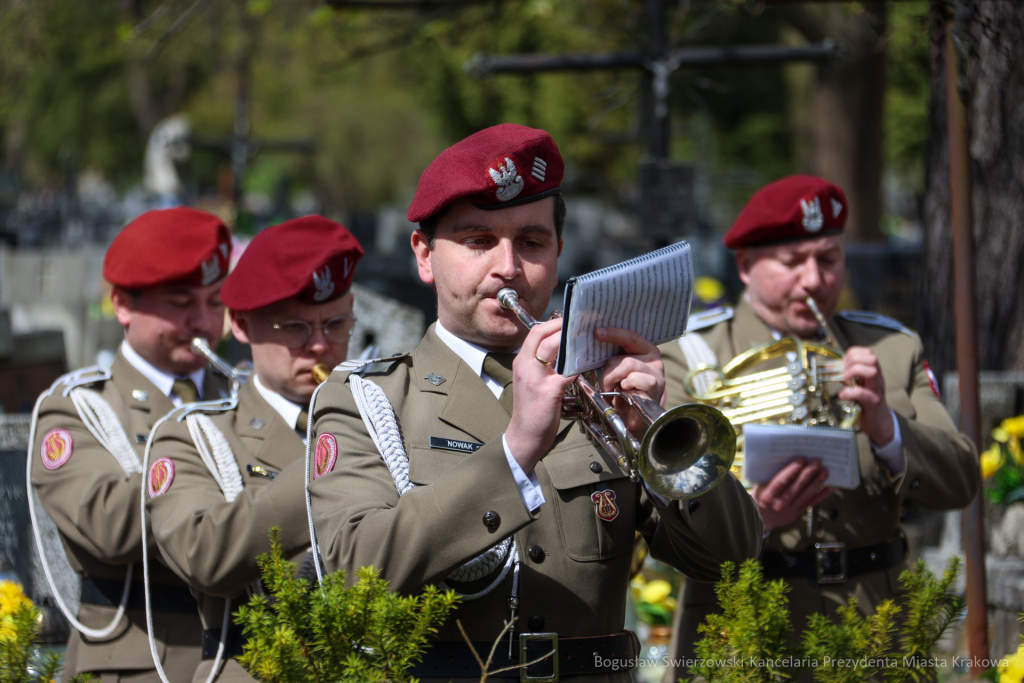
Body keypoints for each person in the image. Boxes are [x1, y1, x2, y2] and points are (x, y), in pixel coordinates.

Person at [306, 123, 762, 683]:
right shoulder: (368, 399)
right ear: (424, 256)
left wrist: (654, 439)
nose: (508, 268)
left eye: (531, 242)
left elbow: (733, 560)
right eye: (478, 240)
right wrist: (516, 449)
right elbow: (354, 571)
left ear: (557, 252)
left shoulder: (603, 385)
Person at [658, 175, 979, 682]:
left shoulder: (892, 350)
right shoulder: (689, 356)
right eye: (792, 263)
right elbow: (661, 511)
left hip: (878, 622)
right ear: (745, 266)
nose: (814, 280)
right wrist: (755, 516)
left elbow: (961, 482)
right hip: (742, 621)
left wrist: (885, 426)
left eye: (828, 260)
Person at [145, 215, 364, 683]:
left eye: (337, 323)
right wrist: (338, 455)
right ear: (241, 326)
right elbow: (204, 553)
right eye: (295, 328)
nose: (321, 346)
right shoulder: (194, 436)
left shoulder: (381, 413)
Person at [29, 207, 233, 682]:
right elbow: (109, 522)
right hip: (140, 661)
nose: (202, 323)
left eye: (214, 302)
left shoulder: (243, 398)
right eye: (181, 304)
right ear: (122, 305)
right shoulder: (79, 408)